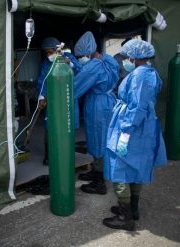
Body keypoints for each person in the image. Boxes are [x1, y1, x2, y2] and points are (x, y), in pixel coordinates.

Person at [102, 39, 167, 231]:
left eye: (126, 56)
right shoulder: (150, 72)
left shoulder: (140, 76)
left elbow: (137, 107)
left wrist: (125, 130)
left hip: (131, 128)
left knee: (119, 167)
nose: (124, 60)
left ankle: (125, 216)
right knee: (137, 166)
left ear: (134, 56)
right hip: (143, 129)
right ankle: (133, 208)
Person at [73, 31, 119, 195]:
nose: (80, 60)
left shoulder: (93, 66)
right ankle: (98, 171)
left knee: (97, 139)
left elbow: (74, 88)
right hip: (108, 102)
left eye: (80, 57)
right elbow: (91, 72)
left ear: (88, 52)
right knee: (104, 138)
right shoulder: (108, 59)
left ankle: (99, 183)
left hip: (97, 105)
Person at [36, 37, 82, 165]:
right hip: (53, 100)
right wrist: (42, 97)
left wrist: (69, 63)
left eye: (50, 52)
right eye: (46, 53)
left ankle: (67, 155)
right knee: (50, 127)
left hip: (67, 98)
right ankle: (49, 156)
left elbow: (81, 71)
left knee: (67, 126)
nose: (49, 55)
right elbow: (42, 81)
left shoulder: (68, 57)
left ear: (58, 49)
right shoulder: (46, 63)